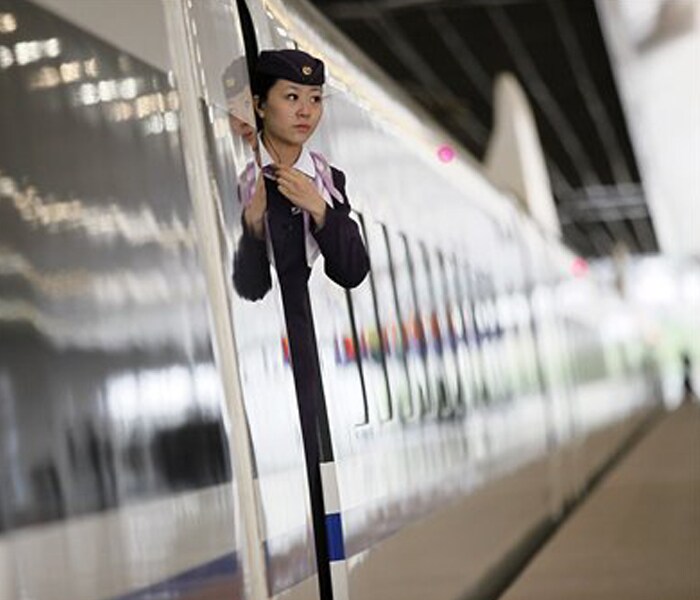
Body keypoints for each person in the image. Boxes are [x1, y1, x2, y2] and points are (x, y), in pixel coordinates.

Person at [231, 49, 369, 599]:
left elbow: (353, 269)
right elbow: (249, 288)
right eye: (291, 97)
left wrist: (320, 209)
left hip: (312, 370)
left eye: (315, 99)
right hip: (272, 371)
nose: (306, 111)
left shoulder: (327, 179)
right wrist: (251, 226)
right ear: (260, 106)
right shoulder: (241, 179)